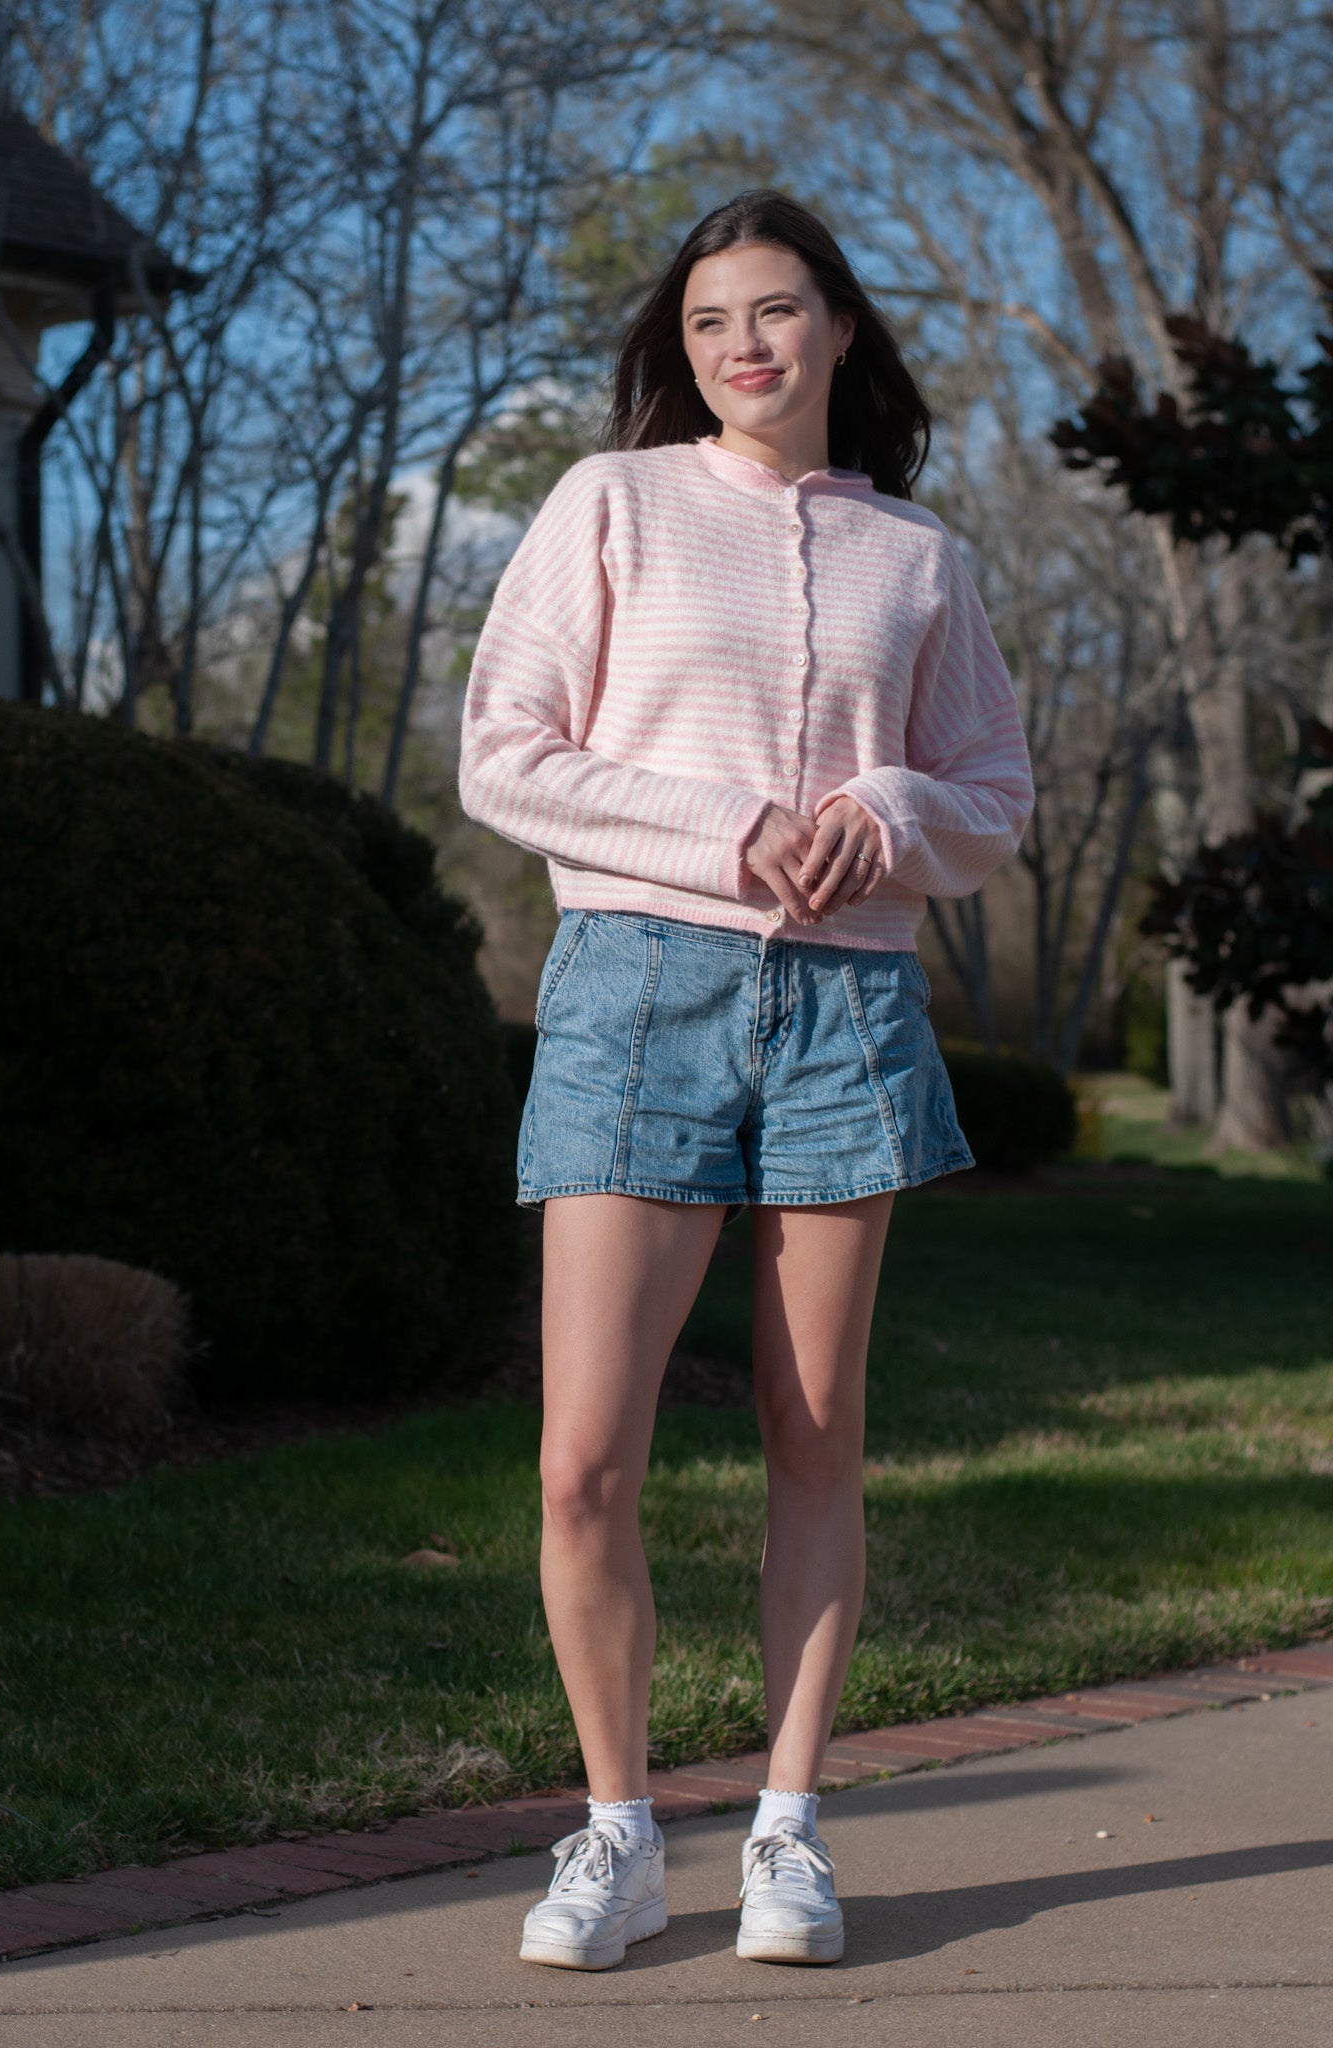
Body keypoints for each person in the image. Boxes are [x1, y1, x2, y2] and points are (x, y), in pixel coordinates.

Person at [458, 188, 1033, 1972]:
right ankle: (617, 1835)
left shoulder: (918, 559)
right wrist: (734, 827)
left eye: (780, 312)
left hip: (849, 1009)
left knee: (813, 1430)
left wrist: (885, 814)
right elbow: (506, 753)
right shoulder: (612, 505)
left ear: (840, 332)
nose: (747, 346)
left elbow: (991, 799)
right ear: (683, 349)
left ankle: (789, 1831)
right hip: (640, 988)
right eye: (713, 322)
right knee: (581, 1462)